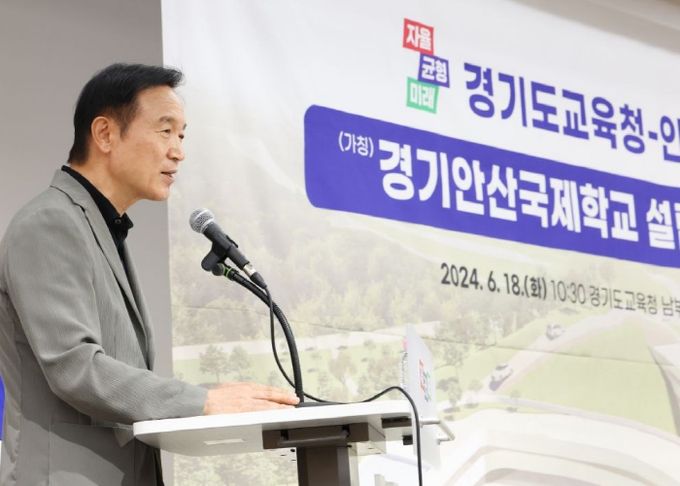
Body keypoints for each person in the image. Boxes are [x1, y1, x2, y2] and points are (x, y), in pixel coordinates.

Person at [0, 63, 299, 485]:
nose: (178, 151)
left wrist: (209, 398)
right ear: (105, 134)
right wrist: (202, 402)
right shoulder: (49, 222)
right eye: (165, 130)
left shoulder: (99, 226)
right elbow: (75, 367)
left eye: (182, 135)